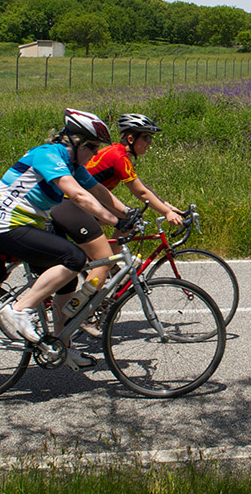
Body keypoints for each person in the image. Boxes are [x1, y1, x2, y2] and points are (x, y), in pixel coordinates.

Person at [0, 108, 135, 370]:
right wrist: (114, 221)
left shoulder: (72, 164)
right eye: (91, 146)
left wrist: (128, 213)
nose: (95, 153)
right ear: (73, 142)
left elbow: (97, 190)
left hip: (28, 225)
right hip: (6, 224)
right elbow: (78, 196)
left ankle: (61, 346)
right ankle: (21, 309)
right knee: (73, 257)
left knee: (67, 284)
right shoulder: (47, 155)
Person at [49, 113, 183, 337]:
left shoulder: (122, 155)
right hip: (71, 206)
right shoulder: (118, 155)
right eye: (147, 138)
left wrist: (167, 205)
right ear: (131, 138)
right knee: (105, 257)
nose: (150, 143)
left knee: (127, 224)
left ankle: (108, 269)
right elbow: (140, 192)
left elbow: (142, 188)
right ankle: (86, 308)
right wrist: (166, 212)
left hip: (84, 205)